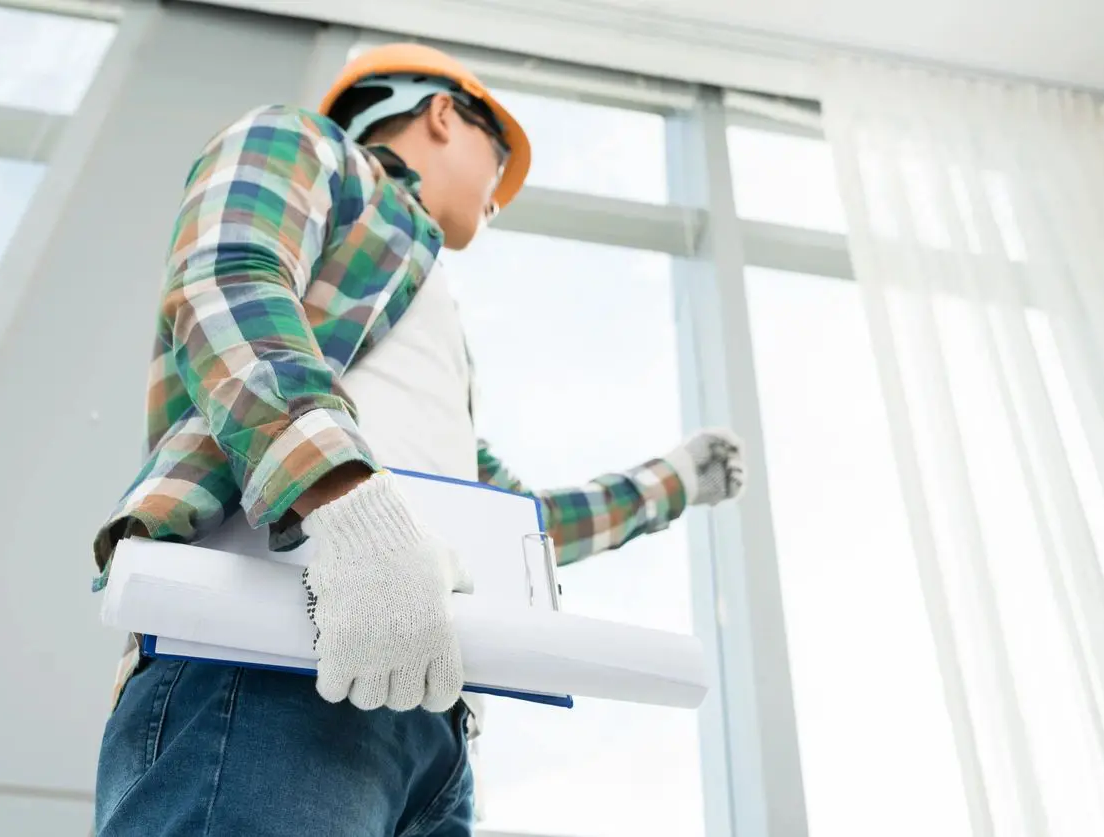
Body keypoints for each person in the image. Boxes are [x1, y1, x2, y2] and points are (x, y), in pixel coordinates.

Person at [90, 43, 746, 836]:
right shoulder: (305, 144)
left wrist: (673, 481)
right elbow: (230, 278)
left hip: (431, 719)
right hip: (262, 658)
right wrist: (348, 503)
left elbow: (518, 521)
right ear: (444, 113)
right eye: (497, 161)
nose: (497, 199)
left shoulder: (431, 325)